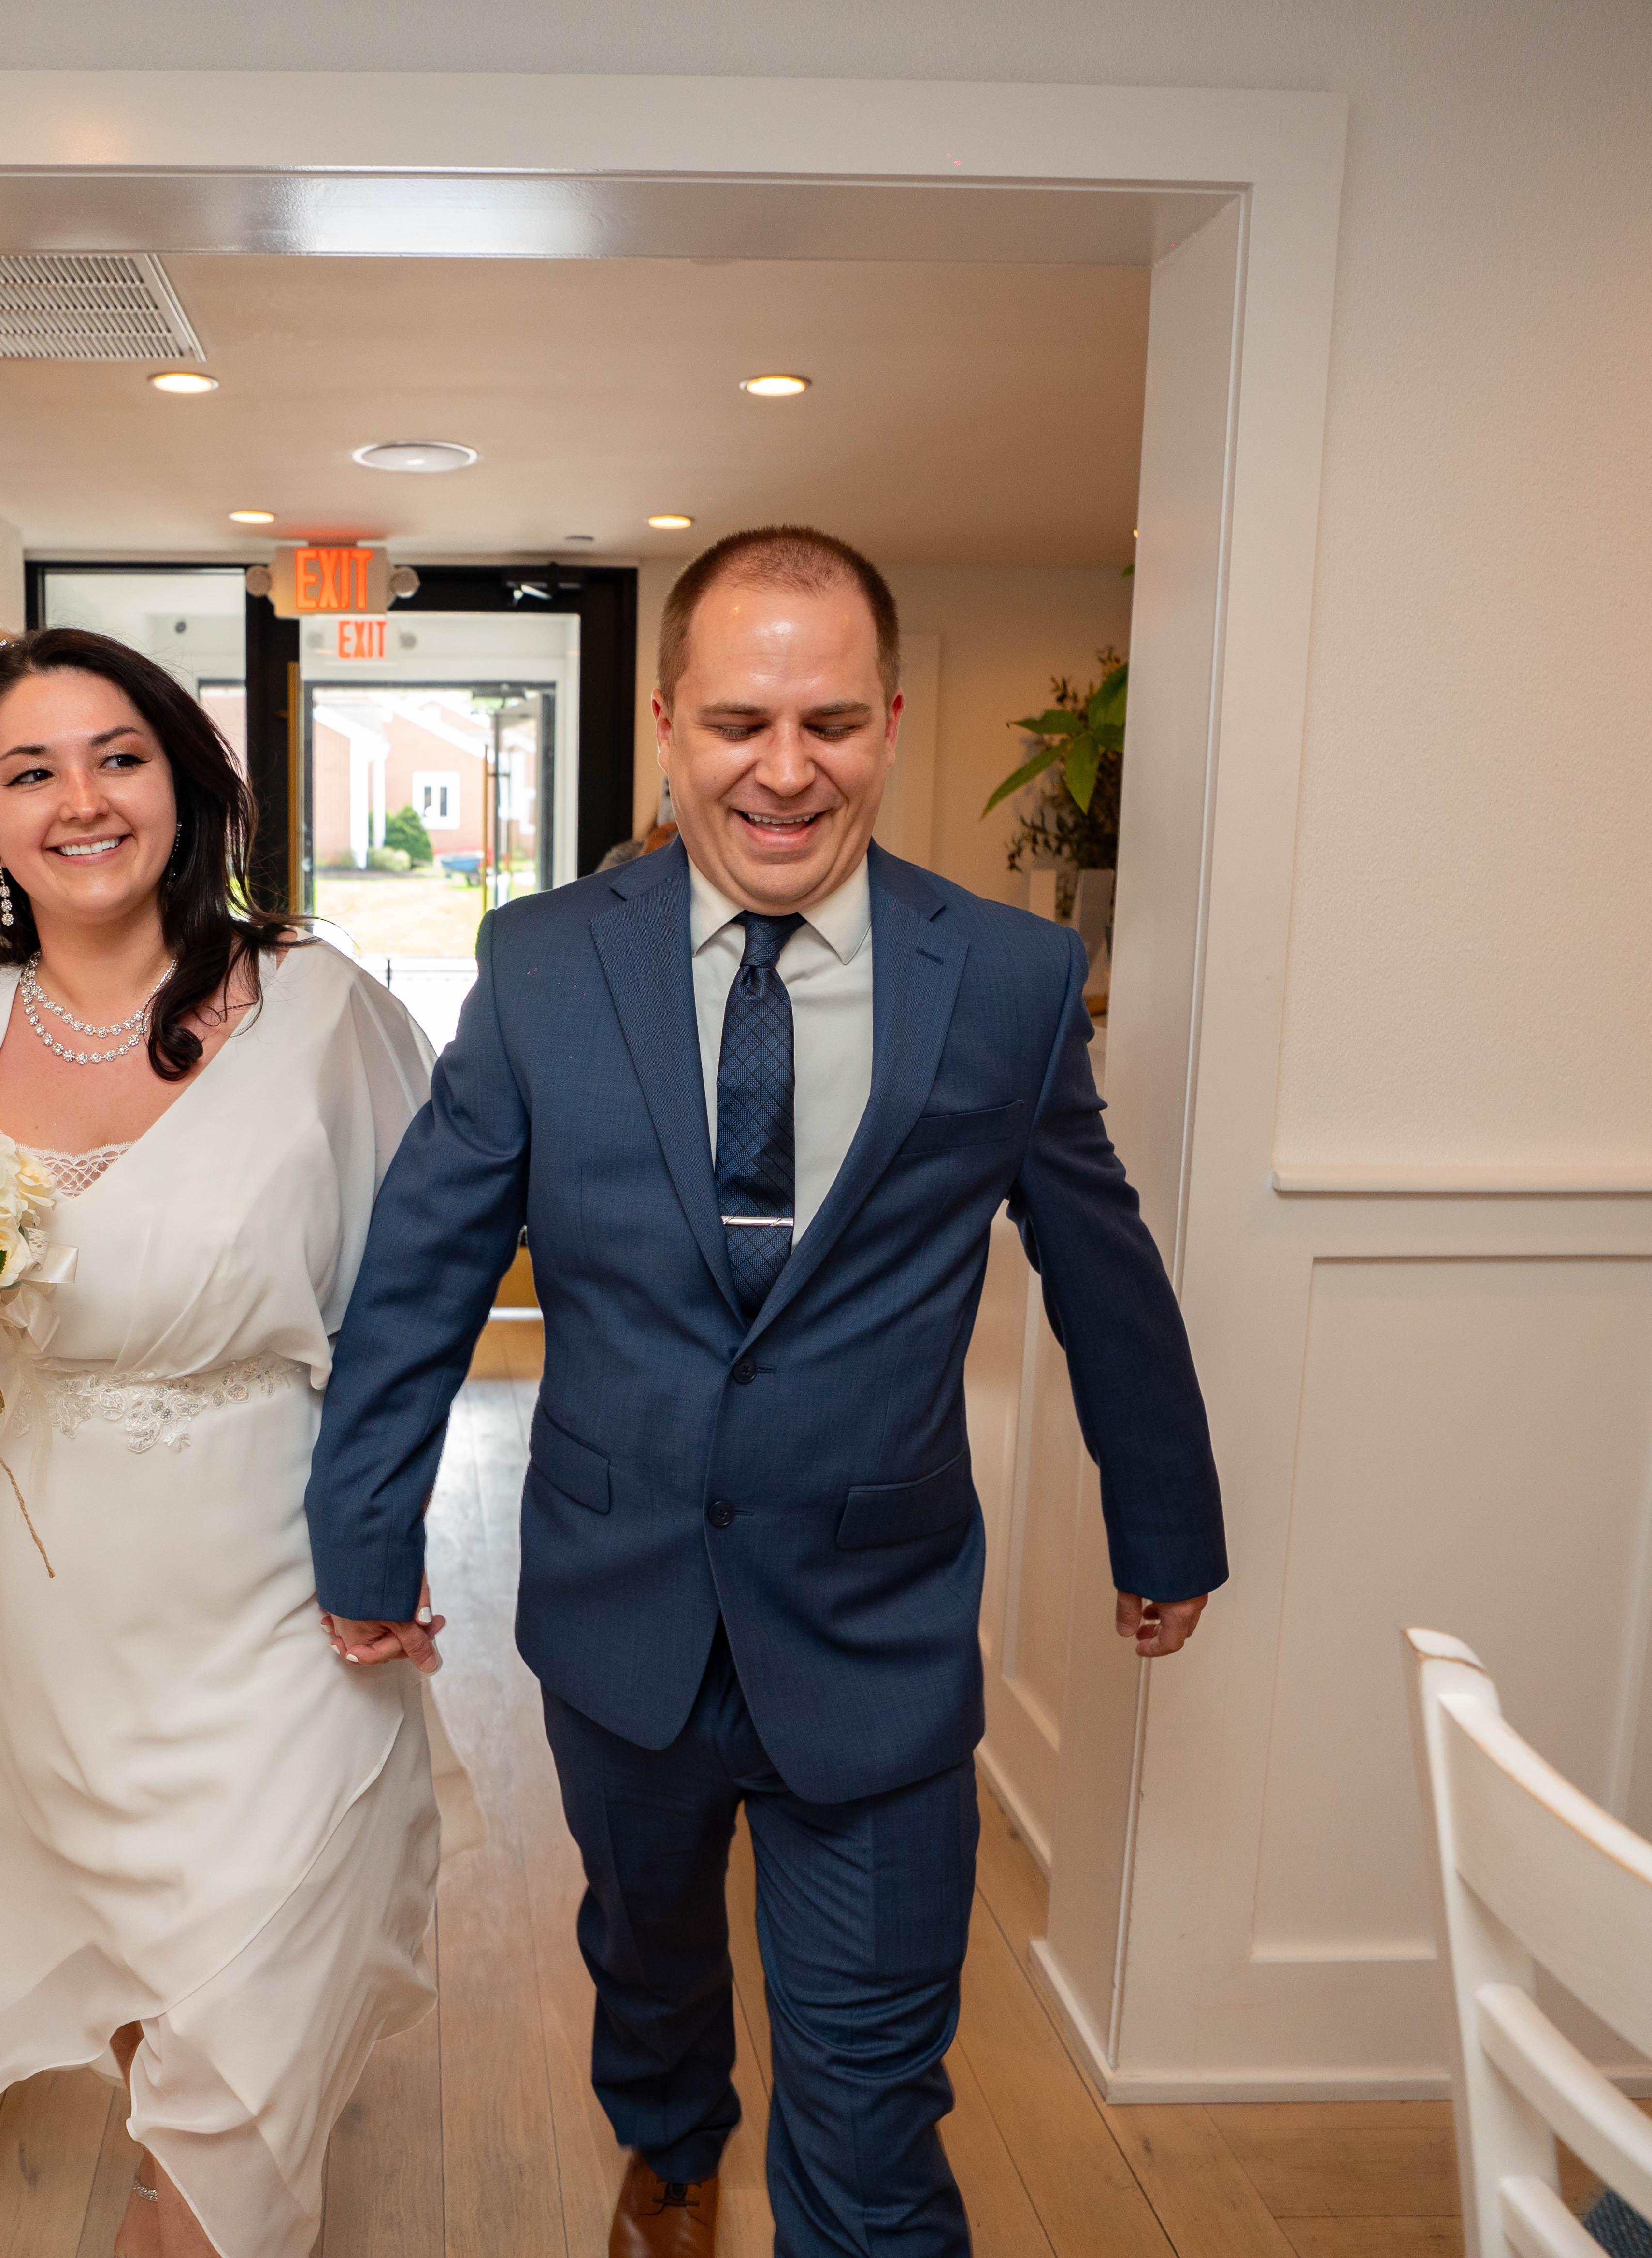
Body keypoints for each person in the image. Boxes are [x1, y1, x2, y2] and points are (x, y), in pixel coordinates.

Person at [305, 529, 1226, 2258]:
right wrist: (367, 1537)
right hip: (619, 1609)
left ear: (891, 721)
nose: (786, 771)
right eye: (739, 722)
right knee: (649, 1967)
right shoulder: (543, 963)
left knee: (873, 2119)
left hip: (878, 1629)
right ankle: (670, 2147)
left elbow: (1104, 1268)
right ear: (667, 724)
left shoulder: (1007, 982)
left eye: (830, 723)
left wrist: (1164, 1519)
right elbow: (424, 1274)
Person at [0, 627, 453, 2258]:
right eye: (31, 771)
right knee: (112, 1914)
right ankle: (169, 2160)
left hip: (274, 1566)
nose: (84, 800)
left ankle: (190, 2207)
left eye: (119, 756)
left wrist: (388, 1537)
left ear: (183, 783)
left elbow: (410, 1306)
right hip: (44, 1585)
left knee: (263, 1925)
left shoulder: (320, 1014)